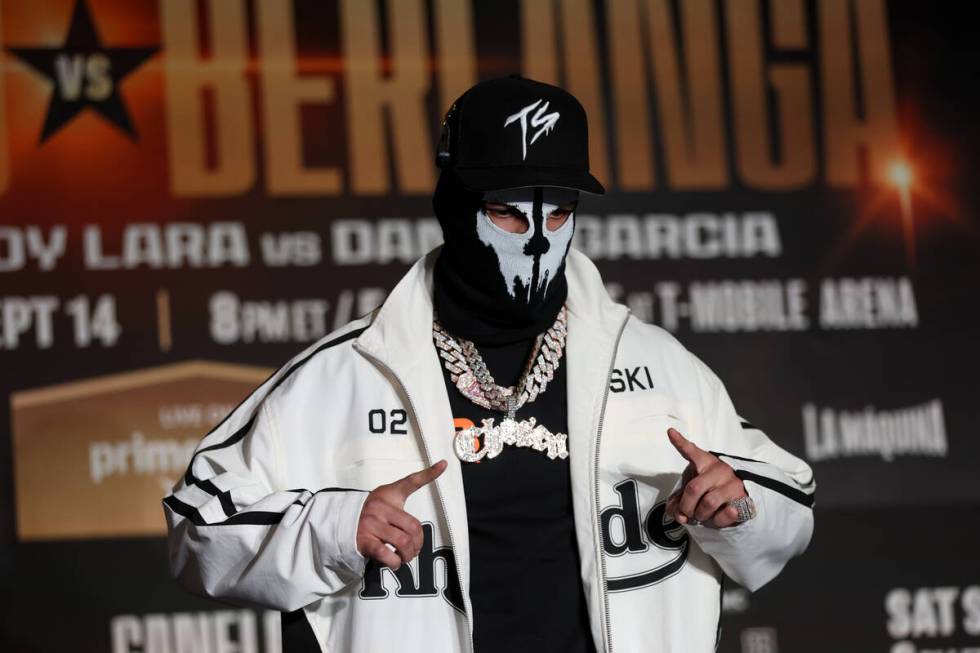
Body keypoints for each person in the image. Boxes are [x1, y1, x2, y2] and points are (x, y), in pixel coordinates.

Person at [164, 75, 815, 653]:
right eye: (506, 211)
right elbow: (198, 525)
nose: (538, 239)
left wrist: (740, 506)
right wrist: (333, 526)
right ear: (453, 203)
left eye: (559, 211)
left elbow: (791, 505)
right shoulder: (349, 371)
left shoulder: (653, 361)